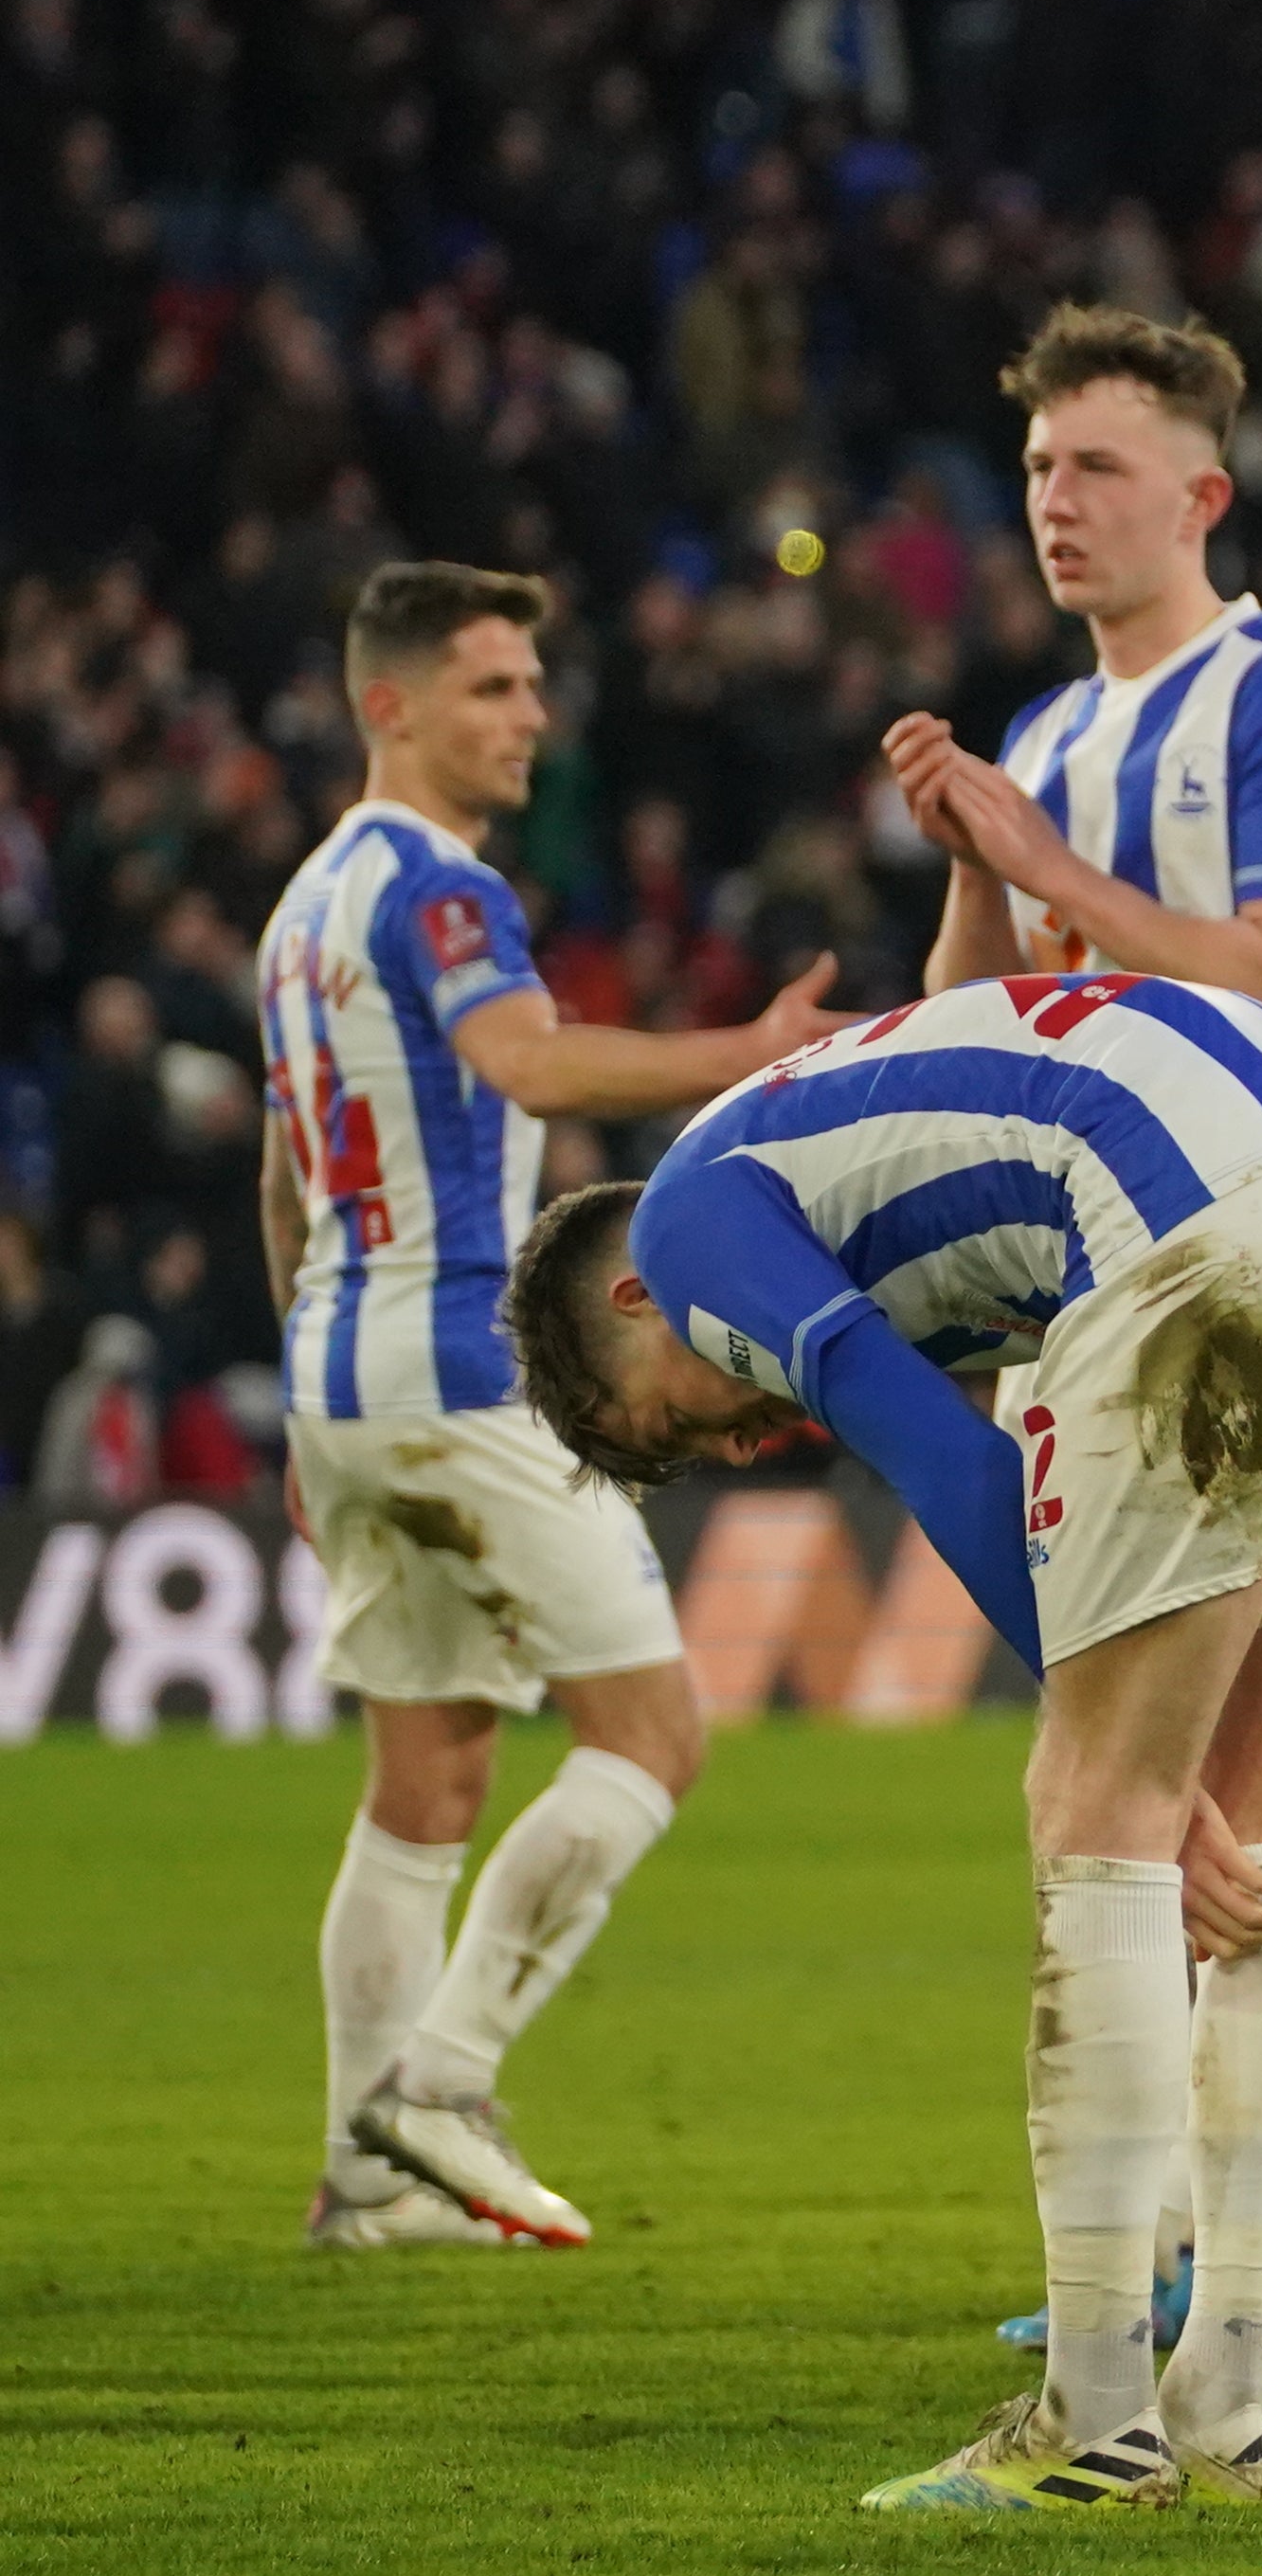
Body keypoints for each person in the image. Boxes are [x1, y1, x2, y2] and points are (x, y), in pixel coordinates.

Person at [507, 968, 1262, 2513]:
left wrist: (1133, 1769)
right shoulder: (875, 1159)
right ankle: (1226, 2413)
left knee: (1095, 1804)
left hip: (1215, 1236)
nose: (735, 1441)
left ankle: (1092, 2421)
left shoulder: (692, 1221)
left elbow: (938, 1452)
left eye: (673, 1420)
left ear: (634, 1302)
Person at [875, 301, 1262, 2365]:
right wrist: (978, 867)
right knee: (1139, 1799)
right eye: (1038, 468)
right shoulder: (1044, 740)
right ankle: (1169, 2269)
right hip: (1101, 1306)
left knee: (1223, 1803)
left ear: (1203, 494)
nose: (1056, 499)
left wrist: (1047, 864)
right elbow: (981, 1005)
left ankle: (1215, 2276)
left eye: (1098, 466)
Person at [254, 565, 855, 2252]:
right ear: (390, 706)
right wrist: (751, 1051)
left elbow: (286, 1179)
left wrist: (316, 1404)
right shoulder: (440, 893)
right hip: (462, 1372)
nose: (530, 717)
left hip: (344, 1376)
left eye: (530, 684)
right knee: (652, 1737)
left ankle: (369, 2190)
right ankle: (439, 2087)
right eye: (494, 688)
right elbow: (528, 1064)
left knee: (425, 1781)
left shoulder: (303, 906)